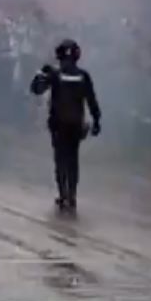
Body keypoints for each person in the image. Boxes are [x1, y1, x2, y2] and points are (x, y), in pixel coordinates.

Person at [30, 39, 101, 210]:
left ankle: (63, 194)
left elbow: (36, 89)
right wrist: (97, 120)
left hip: (58, 124)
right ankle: (72, 194)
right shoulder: (83, 76)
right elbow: (92, 100)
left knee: (60, 159)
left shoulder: (55, 74)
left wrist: (41, 72)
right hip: (76, 124)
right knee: (73, 159)